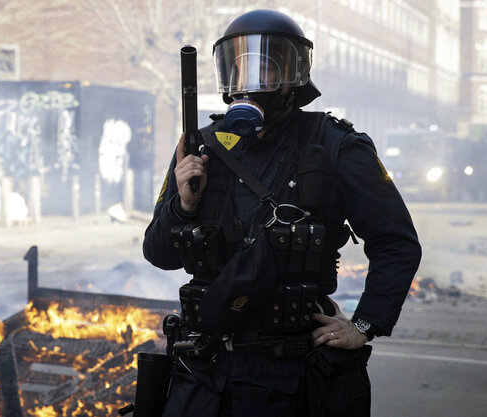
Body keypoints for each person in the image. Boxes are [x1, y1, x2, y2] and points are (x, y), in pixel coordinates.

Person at [143, 9, 421, 416]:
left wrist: (364, 325)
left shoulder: (336, 146)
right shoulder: (200, 148)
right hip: (203, 374)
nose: (251, 84)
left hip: (288, 379)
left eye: (267, 69)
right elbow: (159, 253)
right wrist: (183, 205)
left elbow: (396, 243)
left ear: (294, 77)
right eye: (240, 68)